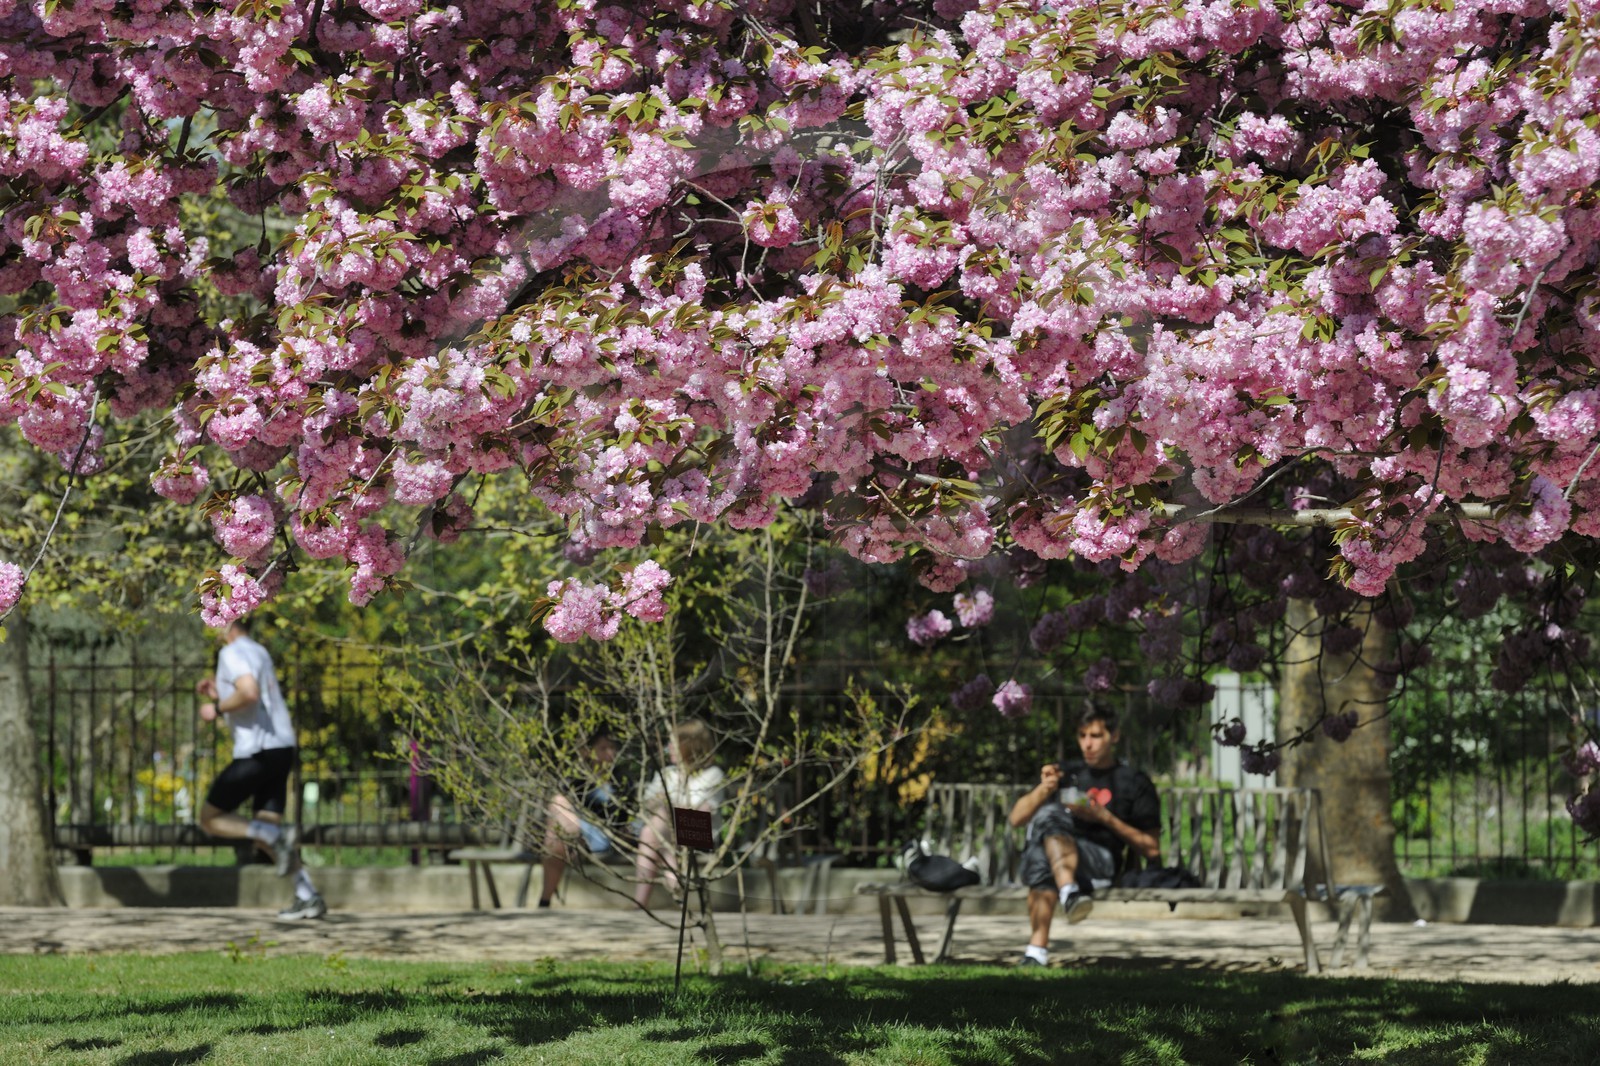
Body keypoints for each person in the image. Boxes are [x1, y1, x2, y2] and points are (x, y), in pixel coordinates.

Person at [1007, 702, 1160, 967]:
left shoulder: (1134, 782)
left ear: (1114, 736)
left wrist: (1105, 818)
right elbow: (1016, 818)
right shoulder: (1067, 773)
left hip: (1100, 862)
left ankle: (1038, 947)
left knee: (1045, 828)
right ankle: (1065, 900)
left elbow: (1152, 848)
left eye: (1096, 736)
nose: (1087, 744)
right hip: (1060, 860)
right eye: (1082, 736)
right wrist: (1044, 789)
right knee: (1045, 831)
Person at [195, 616, 325, 921]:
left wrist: (214, 708)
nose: (210, 623)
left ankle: (272, 839)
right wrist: (220, 694)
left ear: (228, 621)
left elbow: (249, 692)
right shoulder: (258, 650)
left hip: (257, 750)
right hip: (281, 747)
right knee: (266, 833)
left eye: (214, 615)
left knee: (210, 818)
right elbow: (253, 698)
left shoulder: (232, 652)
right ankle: (308, 896)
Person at [633, 717, 725, 909]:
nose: (668, 748)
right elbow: (647, 804)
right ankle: (671, 889)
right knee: (656, 829)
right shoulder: (667, 773)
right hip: (666, 837)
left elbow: (703, 813)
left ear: (690, 746)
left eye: (673, 743)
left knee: (655, 828)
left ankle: (640, 903)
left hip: (699, 838)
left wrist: (669, 804)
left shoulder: (712, 775)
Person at [537, 727, 623, 908]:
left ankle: (544, 901)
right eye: (603, 748)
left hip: (603, 838)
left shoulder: (621, 780)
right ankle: (545, 901)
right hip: (576, 837)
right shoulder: (578, 780)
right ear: (588, 752)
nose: (610, 753)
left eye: (612, 747)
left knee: (558, 810)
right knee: (558, 815)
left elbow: (622, 820)